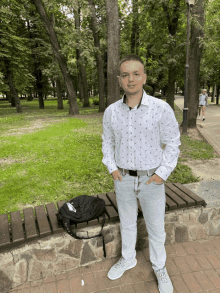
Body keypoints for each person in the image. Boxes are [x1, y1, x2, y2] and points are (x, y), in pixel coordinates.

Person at [101, 54, 181, 293]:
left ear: (144, 77)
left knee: (156, 227)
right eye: (125, 75)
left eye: (136, 74)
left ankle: (159, 266)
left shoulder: (161, 109)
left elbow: (173, 143)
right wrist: (112, 167)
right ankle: (128, 258)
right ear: (119, 79)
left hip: (151, 179)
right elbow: (107, 142)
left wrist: (161, 174)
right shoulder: (111, 112)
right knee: (127, 223)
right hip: (123, 178)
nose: (131, 79)